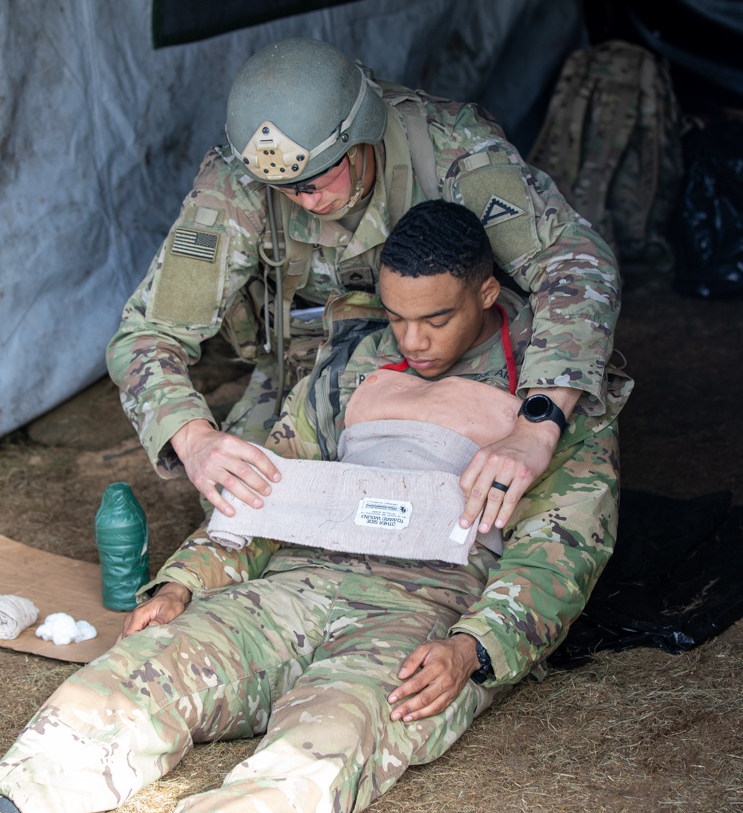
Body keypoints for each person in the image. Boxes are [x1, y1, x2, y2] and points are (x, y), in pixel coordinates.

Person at [0, 201, 632, 813]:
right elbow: (264, 489)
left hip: (424, 611)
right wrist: (184, 582)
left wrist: (475, 648)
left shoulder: (550, 394)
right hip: (296, 582)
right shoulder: (355, 366)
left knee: (332, 737)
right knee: (145, 667)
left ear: (485, 293)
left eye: (436, 318)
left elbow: (560, 551)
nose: (412, 340)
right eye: (396, 316)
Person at [106, 37, 622, 540]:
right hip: (312, 369)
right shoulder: (239, 185)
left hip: (463, 356)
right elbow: (147, 334)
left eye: (318, 180)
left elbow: (576, 266)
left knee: (520, 505)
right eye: (287, 188)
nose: (304, 202)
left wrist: (536, 422)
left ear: (362, 137)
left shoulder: (447, 147)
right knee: (242, 508)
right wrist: (194, 440)